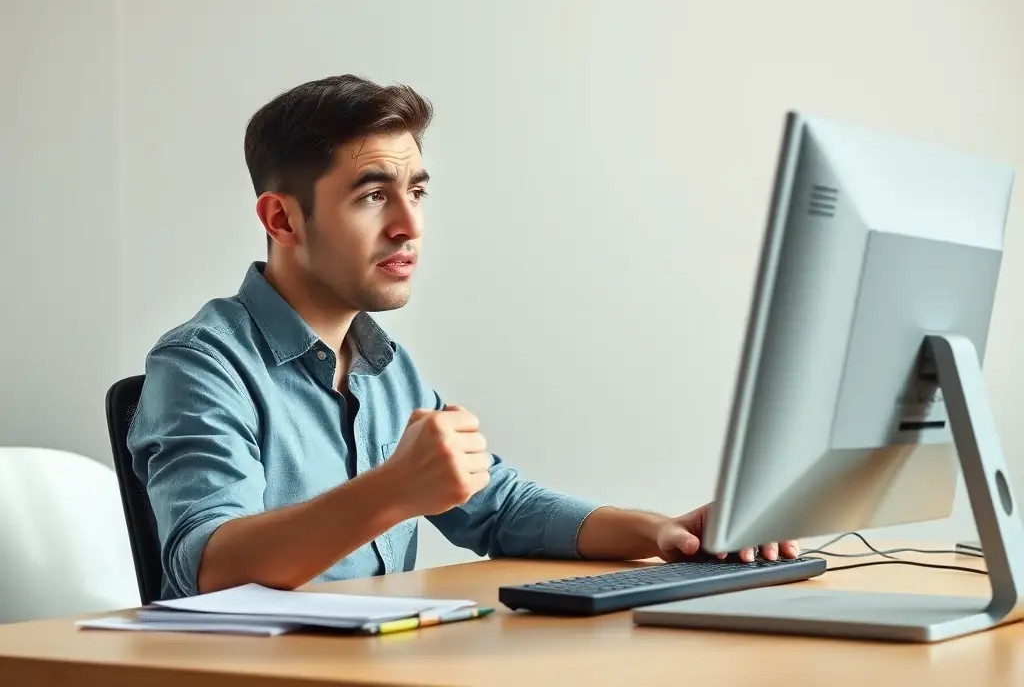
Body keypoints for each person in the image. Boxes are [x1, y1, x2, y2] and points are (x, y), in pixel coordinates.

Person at [128, 74, 798, 600]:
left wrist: (663, 532)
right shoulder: (201, 363)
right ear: (281, 218)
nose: (408, 226)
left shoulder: (387, 366)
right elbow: (208, 565)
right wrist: (393, 489)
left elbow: (500, 507)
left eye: (416, 192)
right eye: (371, 195)